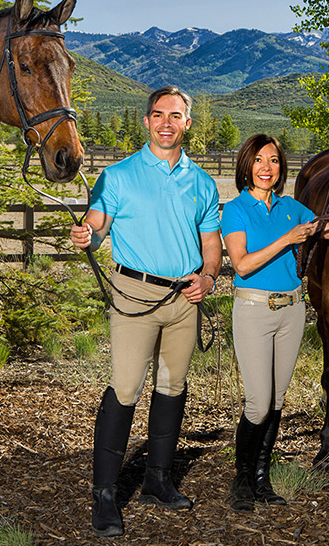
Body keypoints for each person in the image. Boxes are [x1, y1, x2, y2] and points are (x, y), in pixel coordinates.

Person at [70, 86, 222, 538]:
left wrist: (209, 277)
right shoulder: (117, 176)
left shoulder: (203, 183)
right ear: (146, 121)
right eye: (158, 115)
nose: (166, 123)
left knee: (173, 387)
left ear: (187, 123)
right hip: (134, 296)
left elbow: (211, 245)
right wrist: (87, 236)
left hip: (184, 299)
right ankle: (104, 494)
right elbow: (97, 225)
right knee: (125, 387)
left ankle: (158, 480)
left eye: (175, 115)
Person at [221, 135, 329, 512]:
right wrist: (287, 239)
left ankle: (261, 479)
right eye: (259, 160)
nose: (266, 167)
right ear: (247, 165)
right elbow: (242, 265)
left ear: (281, 169)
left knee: (276, 400)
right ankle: (241, 479)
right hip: (254, 310)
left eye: (274, 161)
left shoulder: (293, 207)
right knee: (259, 402)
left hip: (292, 312)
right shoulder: (237, 209)